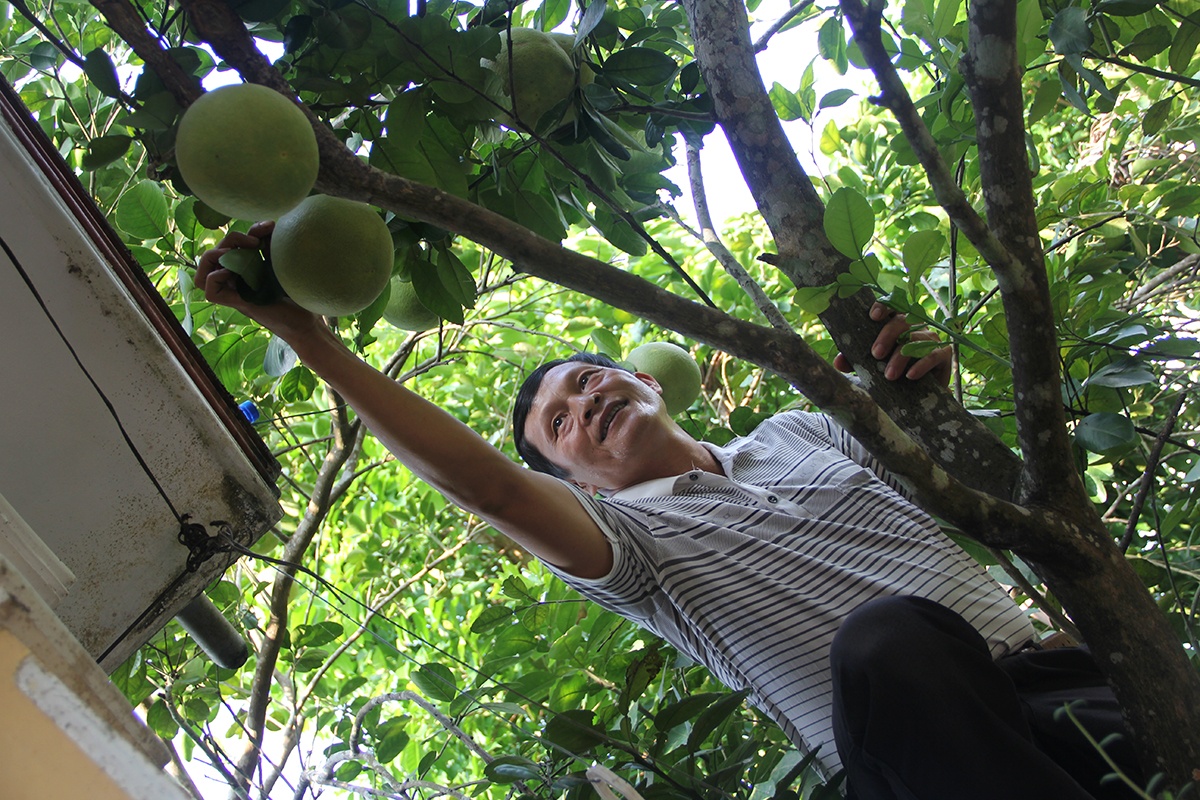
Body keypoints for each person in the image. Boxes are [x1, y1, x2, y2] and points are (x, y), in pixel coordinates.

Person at [197, 224, 1140, 800]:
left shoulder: (800, 430)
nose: (585, 403)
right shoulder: (630, 549)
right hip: (914, 760)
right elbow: (485, 486)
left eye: (589, 380)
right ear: (577, 489)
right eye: (560, 424)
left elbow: (979, 488)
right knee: (888, 641)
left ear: (643, 380)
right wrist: (302, 331)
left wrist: (920, 378)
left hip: (1066, 690)